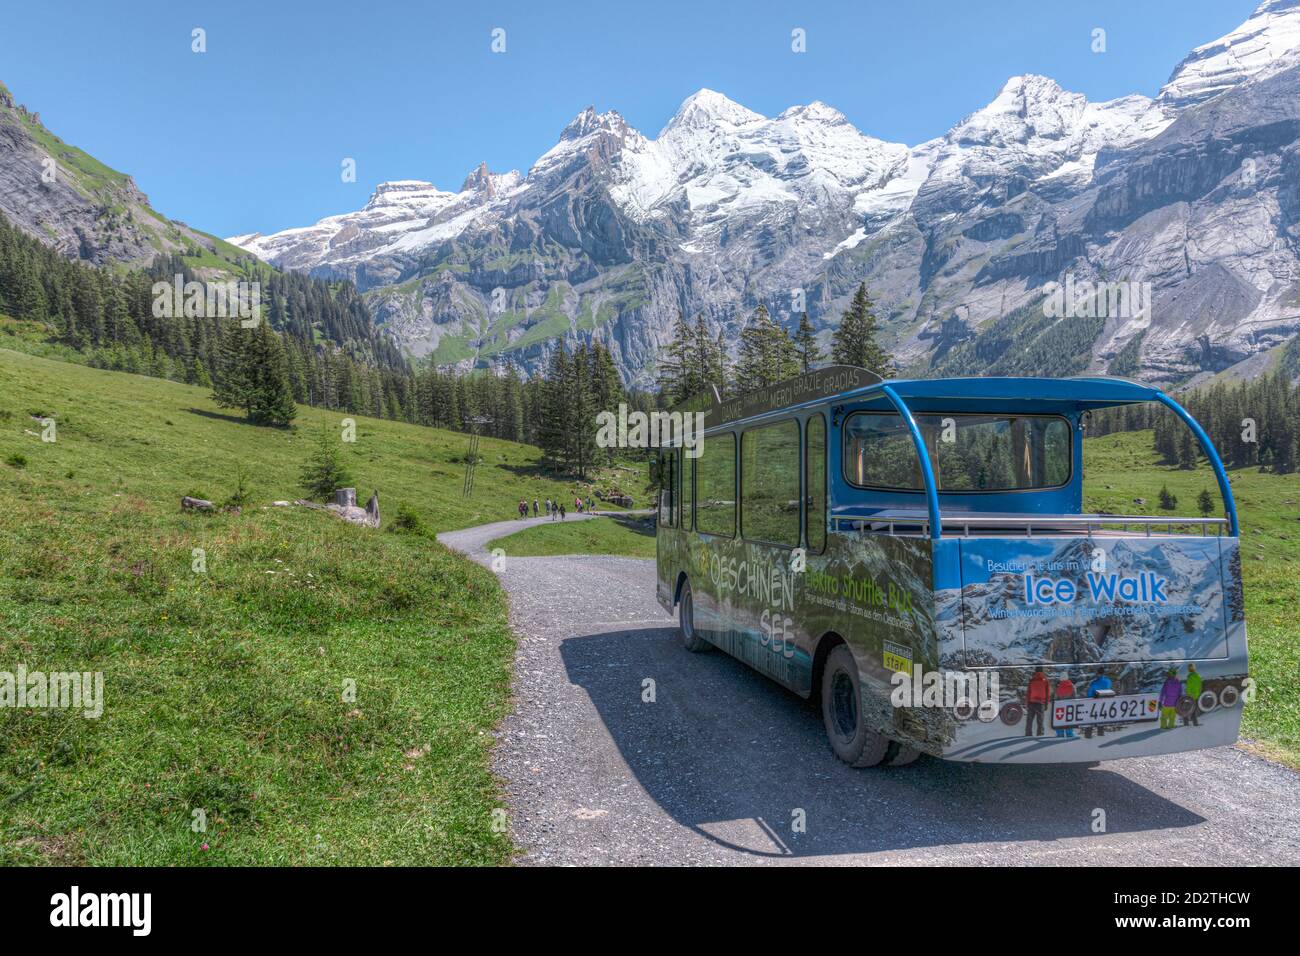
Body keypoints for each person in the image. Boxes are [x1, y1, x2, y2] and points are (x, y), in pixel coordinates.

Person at [1084, 674, 1113, 738]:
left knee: (1090, 719)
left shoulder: (1094, 682)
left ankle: (1088, 735)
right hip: (1104, 703)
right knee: (1101, 719)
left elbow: (1090, 693)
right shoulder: (1108, 681)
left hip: (1094, 703)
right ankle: (1100, 733)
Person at [1025, 670, 1050, 737]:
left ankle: (1028, 733)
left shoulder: (1032, 680)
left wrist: (1027, 703)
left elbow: (1028, 693)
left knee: (1029, 720)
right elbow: (1047, 693)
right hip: (1040, 703)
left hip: (1031, 702)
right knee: (1040, 720)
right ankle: (1040, 734)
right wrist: (1046, 704)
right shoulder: (1045, 681)